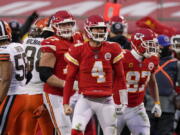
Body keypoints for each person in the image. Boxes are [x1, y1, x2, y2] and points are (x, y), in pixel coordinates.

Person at [63, 15, 127, 135]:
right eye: (96, 28)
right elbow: (70, 78)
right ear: (88, 30)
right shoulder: (79, 50)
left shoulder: (113, 48)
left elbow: (120, 77)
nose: (100, 31)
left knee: (111, 133)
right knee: (76, 131)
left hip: (107, 100)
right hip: (86, 99)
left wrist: (123, 101)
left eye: (102, 29)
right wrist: (66, 103)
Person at [39, 10, 83, 135]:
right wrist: (67, 84)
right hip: (56, 94)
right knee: (65, 131)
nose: (67, 27)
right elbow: (44, 74)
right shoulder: (51, 42)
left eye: (69, 24)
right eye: (63, 25)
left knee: (78, 129)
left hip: (75, 94)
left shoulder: (78, 38)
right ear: (55, 26)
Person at [117, 28, 162, 135]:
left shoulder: (152, 59)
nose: (153, 48)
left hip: (137, 107)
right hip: (116, 106)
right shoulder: (122, 57)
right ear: (137, 44)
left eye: (154, 44)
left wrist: (157, 102)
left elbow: (152, 82)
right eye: (149, 44)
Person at [21, 17, 54, 135]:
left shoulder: (24, 42)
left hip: (23, 94)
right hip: (41, 94)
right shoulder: (51, 45)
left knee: (26, 132)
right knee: (48, 131)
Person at [0, 20, 29, 135]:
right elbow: (28, 67)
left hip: (12, 96)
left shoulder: (3, 50)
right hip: (26, 94)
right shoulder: (18, 46)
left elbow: (6, 78)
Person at [146, 34, 178, 135]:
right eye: (163, 46)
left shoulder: (176, 64)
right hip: (148, 105)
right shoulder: (147, 61)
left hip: (168, 107)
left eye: (167, 46)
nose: (167, 48)